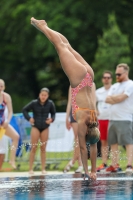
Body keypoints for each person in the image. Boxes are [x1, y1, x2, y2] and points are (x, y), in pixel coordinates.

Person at [30, 17, 100, 180]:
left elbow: (93, 147)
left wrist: (94, 171)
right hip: (79, 79)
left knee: (66, 45)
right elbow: (85, 149)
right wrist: (88, 172)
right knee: (60, 46)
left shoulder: (94, 120)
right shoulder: (84, 123)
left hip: (90, 76)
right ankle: (43, 26)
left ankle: (43, 26)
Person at [105, 63, 133, 172]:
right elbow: (107, 99)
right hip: (113, 118)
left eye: (119, 74)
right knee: (113, 142)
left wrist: (114, 98)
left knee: (128, 142)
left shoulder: (130, 84)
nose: (117, 76)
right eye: (116, 74)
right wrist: (117, 97)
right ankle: (114, 164)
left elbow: (123, 97)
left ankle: (129, 165)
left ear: (126, 73)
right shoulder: (115, 86)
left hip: (125, 118)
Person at [22, 87, 56, 175]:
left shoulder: (50, 103)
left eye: (45, 95)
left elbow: (53, 113)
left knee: (43, 148)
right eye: (42, 95)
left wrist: (51, 119)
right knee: (33, 147)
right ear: (39, 95)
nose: (43, 97)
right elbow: (24, 110)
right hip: (36, 126)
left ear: (48, 96)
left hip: (45, 126)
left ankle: (43, 169)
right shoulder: (34, 103)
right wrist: (29, 118)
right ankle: (30, 169)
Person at [0, 79, 19, 169]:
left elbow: (11, 111)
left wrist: (7, 121)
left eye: (1, 86)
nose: (0, 88)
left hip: (3, 123)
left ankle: (12, 160)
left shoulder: (6, 97)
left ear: (4, 87)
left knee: (16, 137)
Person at [96, 71, 113, 172]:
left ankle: (115, 163)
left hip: (113, 118)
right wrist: (95, 110)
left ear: (111, 79)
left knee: (115, 142)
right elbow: (93, 102)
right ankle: (104, 163)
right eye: (105, 77)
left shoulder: (115, 90)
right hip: (102, 118)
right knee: (103, 142)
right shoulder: (98, 91)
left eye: (108, 77)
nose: (106, 79)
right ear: (102, 79)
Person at [64, 86, 83, 173]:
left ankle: (73, 161)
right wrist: (67, 117)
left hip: (83, 112)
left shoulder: (87, 83)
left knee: (79, 138)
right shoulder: (72, 85)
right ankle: (79, 164)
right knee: (77, 139)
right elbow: (70, 102)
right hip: (74, 113)